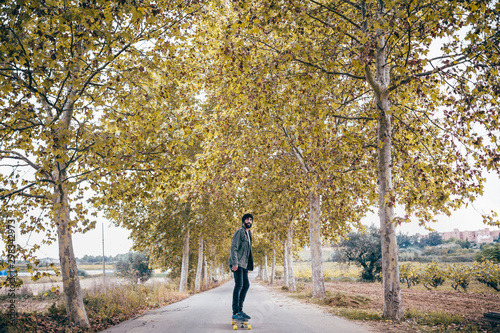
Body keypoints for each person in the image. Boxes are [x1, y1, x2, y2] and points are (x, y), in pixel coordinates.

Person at [229, 213, 254, 321]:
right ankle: (235, 312)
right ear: (243, 221)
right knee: (239, 285)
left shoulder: (249, 234)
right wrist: (235, 263)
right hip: (237, 263)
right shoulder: (239, 232)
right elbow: (234, 247)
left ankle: (240, 310)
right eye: (247, 219)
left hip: (243, 264)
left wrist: (247, 267)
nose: (249, 221)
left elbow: (248, 252)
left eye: (251, 220)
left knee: (246, 285)